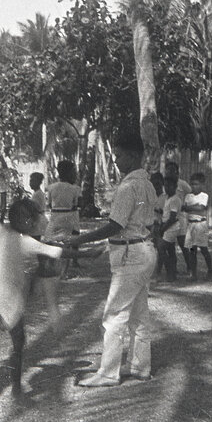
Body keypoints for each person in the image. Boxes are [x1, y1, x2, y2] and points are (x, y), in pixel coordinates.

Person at [0, 198, 102, 396]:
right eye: (34, 219)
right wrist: (89, 254)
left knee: (39, 271)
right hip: (8, 297)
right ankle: (16, 387)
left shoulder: (0, 232)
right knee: (19, 341)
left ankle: (16, 383)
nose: (36, 222)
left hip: (6, 291)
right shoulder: (24, 241)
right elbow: (59, 252)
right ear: (26, 221)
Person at [68, 131, 157, 387]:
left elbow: (116, 225)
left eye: (119, 155)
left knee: (114, 315)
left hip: (131, 255)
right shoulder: (147, 184)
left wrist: (80, 240)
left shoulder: (129, 186)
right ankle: (140, 366)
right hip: (142, 250)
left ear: (133, 156)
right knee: (138, 315)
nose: (115, 161)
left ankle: (108, 373)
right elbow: (139, 225)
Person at [45, 159, 83, 277]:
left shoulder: (51, 187)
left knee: (51, 241)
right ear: (69, 173)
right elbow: (78, 204)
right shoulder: (75, 188)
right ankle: (64, 272)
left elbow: (49, 204)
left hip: (55, 216)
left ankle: (51, 267)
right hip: (68, 216)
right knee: (67, 243)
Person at [183, 172, 212, 280]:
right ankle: (194, 274)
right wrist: (194, 207)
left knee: (204, 248)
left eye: (196, 184)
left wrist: (190, 208)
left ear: (202, 185)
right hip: (191, 224)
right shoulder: (188, 196)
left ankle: (210, 270)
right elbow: (185, 208)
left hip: (200, 224)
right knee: (192, 250)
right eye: (192, 184)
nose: (194, 186)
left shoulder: (204, 196)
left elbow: (201, 208)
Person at [164, 161, 193, 277]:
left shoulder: (182, 184)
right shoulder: (165, 184)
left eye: (173, 170)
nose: (170, 172)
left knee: (183, 244)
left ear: (177, 172)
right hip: (168, 217)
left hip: (180, 218)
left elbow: (191, 194)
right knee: (170, 245)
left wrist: (186, 205)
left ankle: (190, 268)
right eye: (168, 170)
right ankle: (173, 269)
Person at [159, 175, 183, 283]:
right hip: (168, 226)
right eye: (166, 186)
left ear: (175, 187)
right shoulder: (168, 198)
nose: (167, 188)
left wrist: (163, 229)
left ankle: (170, 272)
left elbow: (172, 218)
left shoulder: (175, 199)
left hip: (171, 227)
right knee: (171, 250)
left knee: (161, 248)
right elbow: (167, 213)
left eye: (170, 186)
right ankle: (173, 273)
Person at [149, 172, 166, 280]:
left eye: (158, 184)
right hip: (149, 226)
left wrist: (159, 211)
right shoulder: (149, 197)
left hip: (161, 226)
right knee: (149, 249)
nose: (156, 187)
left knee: (161, 249)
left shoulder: (165, 197)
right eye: (153, 184)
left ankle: (159, 271)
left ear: (162, 184)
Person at [29, 172, 48, 239]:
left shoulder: (37, 194)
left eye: (32, 181)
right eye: (30, 181)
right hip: (38, 220)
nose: (30, 183)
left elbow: (34, 209)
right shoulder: (37, 193)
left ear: (38, 182)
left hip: (37, 221)